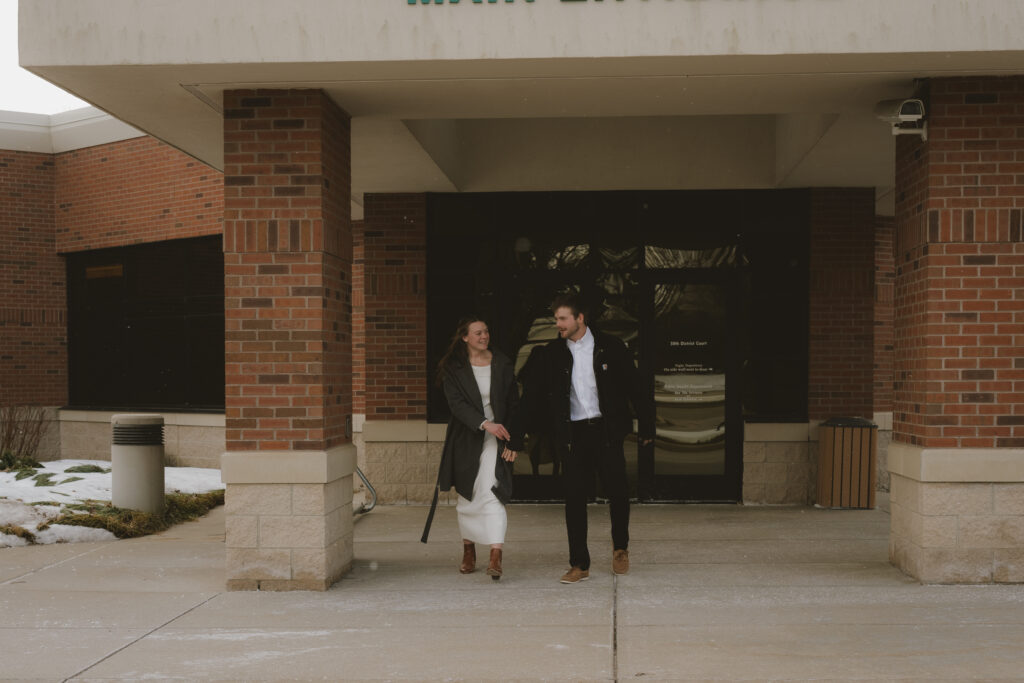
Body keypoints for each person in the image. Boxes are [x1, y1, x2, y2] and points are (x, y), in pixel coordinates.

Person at [521, 293, 653, 584]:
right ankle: (579, 563)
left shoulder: (611, 347)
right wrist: (520, 435)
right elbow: (532, 397)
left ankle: (620, 548)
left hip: (605, 431)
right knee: (574, 499)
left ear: (580, 318)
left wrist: (647, 427)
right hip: (573, 435)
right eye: (556, 319)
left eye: (563, 318)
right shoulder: (552, 354)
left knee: (617, 492)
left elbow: (636, 388)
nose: (558, 324)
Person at [423, 317, 521, 581]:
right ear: (465, 337)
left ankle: (495, 555)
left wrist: (513, 440)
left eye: (486, 331)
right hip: (466, 438)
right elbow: (457, 405)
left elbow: (514, 403)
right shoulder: (453, 368)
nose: (484, 336)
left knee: (492, 490)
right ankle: (468, 549)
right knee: (468, 494)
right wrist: (484, 423)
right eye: (478, 333)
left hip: (498, 439)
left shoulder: (502, 363)